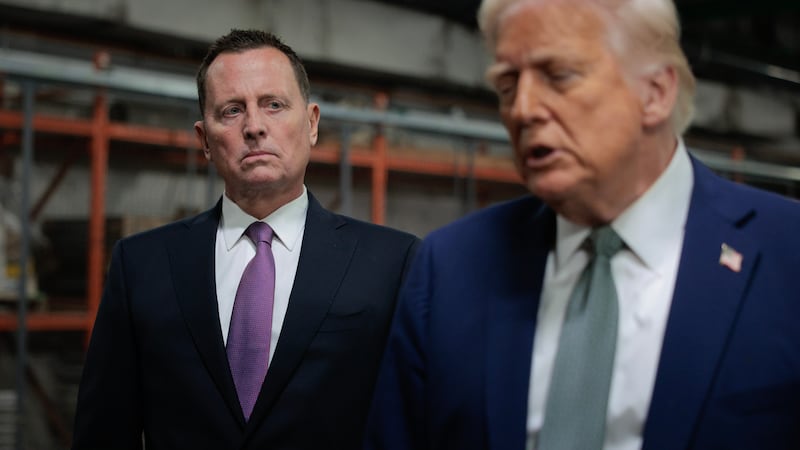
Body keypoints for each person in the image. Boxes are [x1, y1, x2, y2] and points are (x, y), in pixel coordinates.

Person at [365, 0, 800, 449]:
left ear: (655, 93)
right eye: (508, 85)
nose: (524, 110)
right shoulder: (450, 267)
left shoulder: (788, 253)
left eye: (560, 76)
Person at [72, 29, 419, 450]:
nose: (254, 127)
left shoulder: (392, 263)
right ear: (204, 140)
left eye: (273, 105)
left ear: (311, 124)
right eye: (232, 111)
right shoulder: (142, 264)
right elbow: (104, 431)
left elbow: (419, 421)